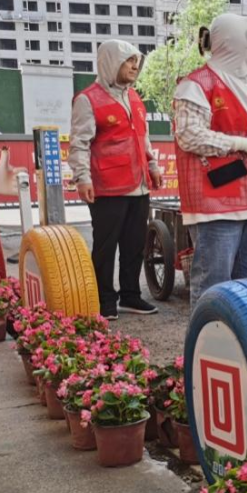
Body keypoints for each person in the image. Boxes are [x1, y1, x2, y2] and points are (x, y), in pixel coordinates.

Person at [173, 14, 247, 302]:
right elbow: (189, 134)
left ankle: (244, 344)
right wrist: (241, 143)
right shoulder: (197, 85)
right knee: (214, 281)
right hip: (220, 199)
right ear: (233, 46)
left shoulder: (244, 87)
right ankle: (205, 345)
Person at [69, 40, 163, 319]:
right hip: (107, 187)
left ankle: (131, 296)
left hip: (140, 184)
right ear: (111, 62)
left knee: (135, 244)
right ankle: (104, 300)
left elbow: (143, 137)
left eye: (137, 60)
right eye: (128, 60)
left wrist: (154, 164)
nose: (135, 66)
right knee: (106, 247)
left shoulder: (135, 98)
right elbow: (79, 144)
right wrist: (82, 178)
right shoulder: (87, 99)